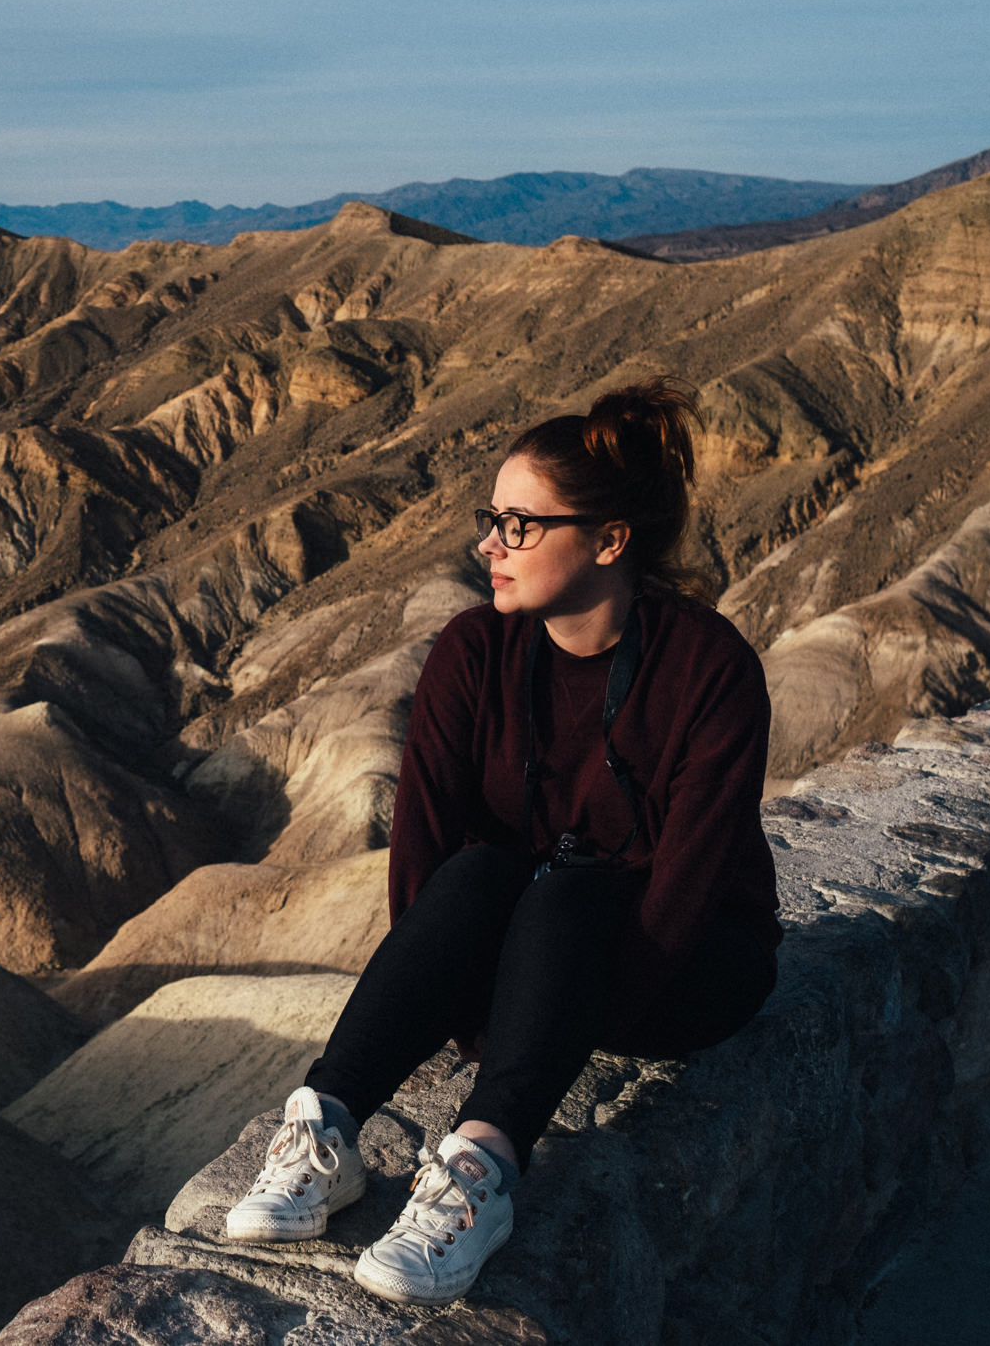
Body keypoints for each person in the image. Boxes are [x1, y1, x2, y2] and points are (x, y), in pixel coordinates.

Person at [222, 377, 781, 1307]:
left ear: (609, 540)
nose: (489, 544)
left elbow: (683, 893)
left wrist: (547, 1027)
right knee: (484, 869)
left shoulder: (709, 670)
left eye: (520, 525)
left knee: (569, 890)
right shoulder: (471, 653)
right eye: (492, 518)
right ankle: (326, 1126)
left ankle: (479, 1174)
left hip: (684, 964)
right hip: (525, 968)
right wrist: (473, 1010)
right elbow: (427, 876)